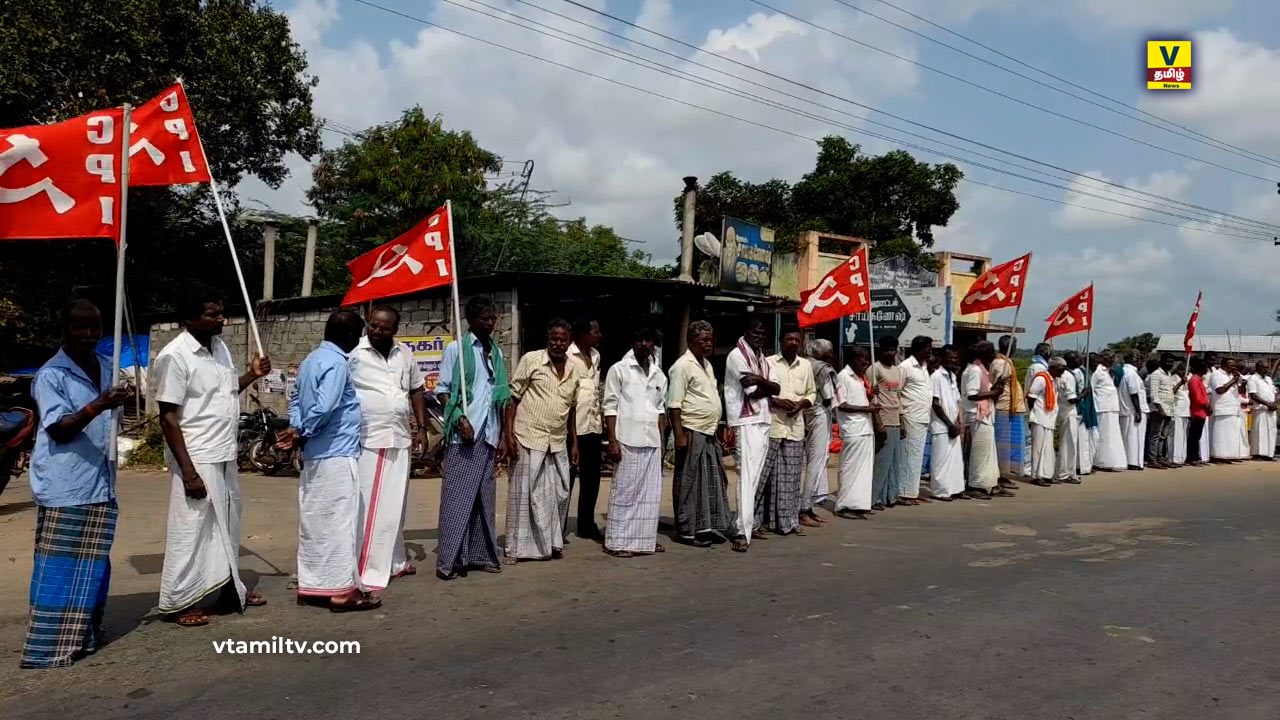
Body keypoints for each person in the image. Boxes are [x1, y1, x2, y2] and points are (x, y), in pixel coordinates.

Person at [21, 301, 132, 669]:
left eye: (94, 328)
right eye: (79, 328)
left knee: (94, 566)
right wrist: (99, 404)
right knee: (60, 567)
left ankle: (84, 635)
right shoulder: (52, 375)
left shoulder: (105, 366)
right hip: (65, 484)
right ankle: (48, 647)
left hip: (99, 481)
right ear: (64, 331)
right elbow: (59, 428)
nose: (88, 335)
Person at [153, 295, 271, 626]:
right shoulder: (174, 356)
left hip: (223, 450)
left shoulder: (220, 348)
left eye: (222, 314)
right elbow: (168, 417)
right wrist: (188, 472)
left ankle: (231, 588)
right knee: (192, 527)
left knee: (229, 522)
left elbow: (225, 391)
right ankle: (179, 601)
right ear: (190, 319)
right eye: (212, 315)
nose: (222, 320)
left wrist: (252, 374)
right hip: (196, 455)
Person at [280, 311, 376, 611]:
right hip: (336, 451)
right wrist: (302, 432)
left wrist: (297, 428)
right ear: (349, 336)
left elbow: (295, 399)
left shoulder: (311, 361)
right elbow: (326, 406)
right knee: (338, 522)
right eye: (359, 334)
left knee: (316, 522)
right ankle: (340, 592)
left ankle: (314, 586)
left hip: (316, 455)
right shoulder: (336, 363)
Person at [348, 306, 428, 592]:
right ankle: (367, 568)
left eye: (384, 327)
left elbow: (417, 389)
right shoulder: (354, 353)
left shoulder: (404, 354)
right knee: (371, 506)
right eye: (373, 325)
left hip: (400, 437)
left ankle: (394, 561)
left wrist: (421, 428)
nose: (377, 331)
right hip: (369, 439)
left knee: (395, 504)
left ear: (395, 329)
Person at [435, 296, 510, 580]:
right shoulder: (456, 350)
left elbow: (500, 398)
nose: (490, 324)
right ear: (472, 320)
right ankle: (451, 560)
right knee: (457, 499)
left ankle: (479, 555)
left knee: (483, 499)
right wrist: (459, 419)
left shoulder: (496, 353)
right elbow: (442, 390)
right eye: (485, 319)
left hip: (488, 432)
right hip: (463, 434)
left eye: (493, 319)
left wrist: (502, 434)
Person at [504, 319, 581, 563]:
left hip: (557, 440)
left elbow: (572, 409)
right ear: (547, 339)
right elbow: (513, 399)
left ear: (569, 342)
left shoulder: (574, 369)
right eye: (554, 339)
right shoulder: (531, 360)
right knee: (525, 495)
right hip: (528, 435)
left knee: (559, 493)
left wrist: (575, 442)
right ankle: (516, 549)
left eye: (563, 340)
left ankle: (550, 542)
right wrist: (507, 436)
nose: (558, 344)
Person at [601, 326, 668, 557]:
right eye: (640, 340)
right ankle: (617, 542)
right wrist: (612, 441)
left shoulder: (659, 375)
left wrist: (662, 443)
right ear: (633, 343)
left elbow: (660, 409)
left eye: (648, 341)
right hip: (627, 439)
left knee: (650, 495)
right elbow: (610, 406)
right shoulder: (619, 370)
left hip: (652, 441)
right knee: (625, 493)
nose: (644, 345)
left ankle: (645, 541)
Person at [667, 321, 733, 548]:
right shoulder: (682, 366)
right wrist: (679, 435)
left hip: (708, 431)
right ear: (692, 341)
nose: (709, 344)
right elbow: (674, 404)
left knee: (710, 481)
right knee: (689, 483)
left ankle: (705, 526)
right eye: (704, 340)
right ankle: (687, 531)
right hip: (691, 430)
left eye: (710, 339)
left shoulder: (707, 365)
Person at [723, 317, 780, 551]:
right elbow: (754, 392)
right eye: (755, 332)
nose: (759, 337)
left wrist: (761, 379)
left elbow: (776, 388)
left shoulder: (762, 359)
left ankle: (741, 525)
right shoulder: (737, 356)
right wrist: (763, 384)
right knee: (746, 475)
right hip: (747, 420)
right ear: (746, 332)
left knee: (754, 477)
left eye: (762, 333)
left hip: (763, 419)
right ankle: (742, 533)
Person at [757, 325, 816, 536]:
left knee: (791, 478)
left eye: (796, 340)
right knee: (765, 477)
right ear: (781, 341)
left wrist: (801, 404)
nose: (793, 343)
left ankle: (787, 522)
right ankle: (759, 522)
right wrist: (777, 401)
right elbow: (758, 392)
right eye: (789, 339)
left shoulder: (806, 366)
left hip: (795, 429)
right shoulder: (768, 363)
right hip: (773, 426)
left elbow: (812, 394)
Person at [566, 316, 604, 541]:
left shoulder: (596, 356)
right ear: (582, 334)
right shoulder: (569, 356)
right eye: (595, 332)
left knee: (592, 478)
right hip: (574, 426)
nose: (599, 336)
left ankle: (586, 523)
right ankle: (558, 522)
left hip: (593, 425)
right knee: (568, 477)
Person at [961, 341, 1010, 498]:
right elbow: (973, 394)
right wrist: (993, 392)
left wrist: (996, 387)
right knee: (980, 452)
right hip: (977, 414)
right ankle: (976, 485)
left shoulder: (981, 370)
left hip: (986, 413)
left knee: (989, 452)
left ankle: (990, 483)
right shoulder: (974, 370)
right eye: (991, 353)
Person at [834, 346, 877, 519]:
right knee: (850, 468)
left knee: (863, 470)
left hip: (865, 428)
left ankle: (859, 504)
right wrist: (867, 409)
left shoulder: (861, 379)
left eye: (867, 358)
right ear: (852, 359)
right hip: (852, 429)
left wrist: (871, 397)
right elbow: (841, 405)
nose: (866, 362)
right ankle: (844, 505)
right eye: (862, 358)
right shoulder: (843, 377)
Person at [801, 338, 838, 524]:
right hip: (819, 415)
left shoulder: (804, 364)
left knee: (813, 463)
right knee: (816, 462)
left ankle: (808, 506)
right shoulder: (823, 368)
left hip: (804, 416)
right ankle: (805, 507)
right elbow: (828, 396)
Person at [898, 335, 934, 505]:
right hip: (910, 416)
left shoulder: (925, 367)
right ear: (919, 349)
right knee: (908, 456)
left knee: (917, 457)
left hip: (922, 417)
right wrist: (901, 417)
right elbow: (897, 392)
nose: (930, 352)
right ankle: (904, 493)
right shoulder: (905, 367)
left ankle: (913, 491)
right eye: (928, 348)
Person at [869, 337, 903, 510]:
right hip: (883, 419)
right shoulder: (875, 369)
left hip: (896, 419)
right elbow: (871, 398)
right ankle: (875, 498)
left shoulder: (897, 370)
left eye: (893, 350)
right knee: (882, 462)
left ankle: (891, 496)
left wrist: (902, 421)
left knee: (894, 462)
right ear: (881, 350)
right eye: (887, 350)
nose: (890, 353)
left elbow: (898, 397)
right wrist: (879, 423)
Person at [928, 345, 964, 501]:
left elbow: (957, 401)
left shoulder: (952, 376)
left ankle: (955, 488)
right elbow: (935, 403)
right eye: (950, 357)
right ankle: (940, 491)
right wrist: (949, 424)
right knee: (941, 461)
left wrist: (958, 422)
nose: (954, 361)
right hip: (942, 425)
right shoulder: (936, 376)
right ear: (942, 358)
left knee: (955, 460)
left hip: (953, 425)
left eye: (956, 358)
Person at [991, 335, 1027, 487]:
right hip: (1003, 408)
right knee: (1002, 445)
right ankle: (1000, 475)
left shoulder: (1008, 363)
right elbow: (997, 386)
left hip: (1013, 408)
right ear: (1011, 347)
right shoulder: (1000, 364)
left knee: (1012, 444)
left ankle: (1006, 474)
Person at [1025, 357, 1063, 486]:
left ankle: (1046, 474)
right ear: (1052, 367)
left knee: (1047, 449)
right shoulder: (1041, 378)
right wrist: (1034, 412)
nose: (1062, 371)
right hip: (1040, 417)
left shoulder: (1054, 380)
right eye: (1060, 368)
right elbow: (1031, 397)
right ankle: (1036, 475)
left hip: (1049, 419)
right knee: (1038, 448)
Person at [1091, 350, 1125, 472]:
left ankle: (1111, 461)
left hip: (1112, 408)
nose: (1112, 360)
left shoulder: (1108, 372)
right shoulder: (1098, 371)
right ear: (1103, 358)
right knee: (1104, 437)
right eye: (1109, 358)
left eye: (1113, 358)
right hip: (1102, 408)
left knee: (1113, 436)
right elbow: (1092, 388)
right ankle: (1100, 461)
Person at [1208, 357, 1244, 463]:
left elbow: (1240, 391)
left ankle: (1227, 455)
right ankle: (1217, 455)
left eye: (1234, 365)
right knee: (1221, 435)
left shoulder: (1232, 375)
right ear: (1223, 365)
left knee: (1230, 435)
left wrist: (1241, 383)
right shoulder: (1217, 375)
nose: (1233, 367)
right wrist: (1233, 380)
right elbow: (1220, 390)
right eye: (1231, 365)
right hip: (1222, 408)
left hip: (1233, 408)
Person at [1054, 354, 1082, 484]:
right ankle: (1066, 473)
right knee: (1069, 444)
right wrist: (1082, 395)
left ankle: (1064, 471)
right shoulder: (1068, 376)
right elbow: (1071, 399)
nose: (1080, 360)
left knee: (1065, 443)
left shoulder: (1060, 376)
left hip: (1061, 411)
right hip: (1069, 412)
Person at [1117, 350, 1146, 471]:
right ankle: (1133, 462)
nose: (1138, 359)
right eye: (1135, 357)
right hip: (1132, 410)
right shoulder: (1132, 374)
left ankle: (1130, 460)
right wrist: (1138, 411)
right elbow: (1134, 394)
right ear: (1129, 358)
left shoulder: (1124, 371)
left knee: (1128, 437)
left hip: (1126, 411)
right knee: (1135, 438)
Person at [1145, 355, 1176, 469]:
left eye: (1172, 362)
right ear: (1162, 362)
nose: (1170, 364)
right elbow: (1154, 394)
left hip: (1169, 409)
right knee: (1155, 435)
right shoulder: (1156, 375)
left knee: (1163, 436)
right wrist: (1160, 409)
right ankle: (1152, 459)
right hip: (1158, 409)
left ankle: (1160, 457)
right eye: (1168, 361)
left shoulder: (1168, 375)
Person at [1070, 352, 1096, 476]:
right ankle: (1079, 466)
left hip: (1086, 406)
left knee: (1085, 439)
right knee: (1079, 440)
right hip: (1079, 408)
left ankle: (1085, 465)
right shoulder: (1076, 373)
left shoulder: (1083, 372)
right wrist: (1082, 396)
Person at [1247, 361, 1276, 460]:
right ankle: (1258, 453)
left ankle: (1269, 454)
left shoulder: (1268, 379)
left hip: (1271, 409)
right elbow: (1253, 395)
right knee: (1260, 432)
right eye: (1264, 367)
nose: (1266, 370)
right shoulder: (1253, 379)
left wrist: (1274, 403)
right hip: (1260, 409)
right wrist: (1267, 404)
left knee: (1271, 432)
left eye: (1267, 367)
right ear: (1258, 368)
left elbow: (1274, 392)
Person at [1186, 357, 1210, 466]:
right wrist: (1206, 406)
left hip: (1201, 412)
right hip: (1197, 411)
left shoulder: (1199, 379)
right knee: (1194, 436)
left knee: (1197, 436)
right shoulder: (1194, 380)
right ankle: (1192, 457)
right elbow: (1197, 398)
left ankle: (1196, 456)